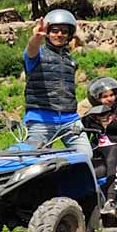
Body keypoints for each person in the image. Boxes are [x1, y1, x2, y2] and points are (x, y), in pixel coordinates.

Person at [22, 9, 87, 154]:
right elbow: (31, 49)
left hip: (70, 119)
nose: (59, 34)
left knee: (85, 156)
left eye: (64, 31)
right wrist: (36, 38)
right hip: (41, 119)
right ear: (47, 33)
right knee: (34, 159)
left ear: (69, 35)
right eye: (55, 31)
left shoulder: (70, 59)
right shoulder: (37, 54)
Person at [80, 77, 117, 209]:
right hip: (98, 147)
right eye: (105, 96)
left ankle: (111, 201)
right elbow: (83, 136)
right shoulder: (90, 116)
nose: (109, 99)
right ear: (96, 99)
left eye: (112, 95)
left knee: (112, 159)